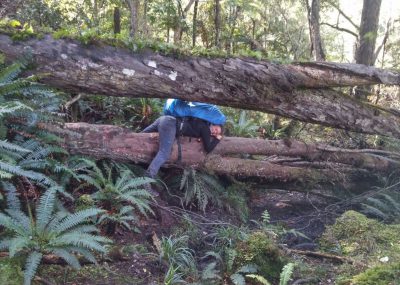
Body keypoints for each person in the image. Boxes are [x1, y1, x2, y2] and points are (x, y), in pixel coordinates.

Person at [142, 115, 223, 179]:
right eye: (216, 129)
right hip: (170, 125)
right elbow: (208, 148)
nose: (214, 132)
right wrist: (217, 139)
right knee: (164, 153)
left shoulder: (201, 121)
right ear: (213, 124)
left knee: (138, 136)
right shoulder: (206, 129)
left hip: (165, 118)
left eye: (216, 133)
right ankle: (147, 179)